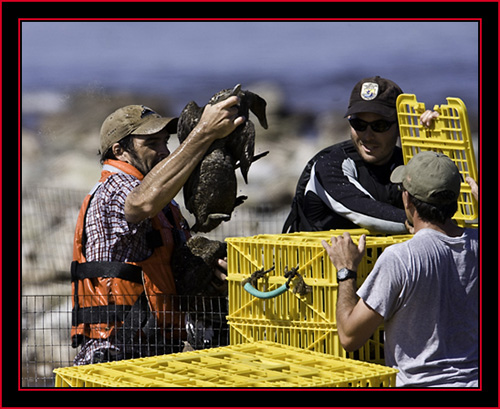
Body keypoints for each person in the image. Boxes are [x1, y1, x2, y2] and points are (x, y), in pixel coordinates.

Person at [71, 99, 244, 365]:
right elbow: (142, 202)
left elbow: (170, 270)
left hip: (155, 349)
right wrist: (204, 132)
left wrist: (209, 274)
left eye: (165, 141)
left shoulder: (165, 203)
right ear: (120, 151)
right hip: (114, 354)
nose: (164, 151)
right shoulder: (113, 187)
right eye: (152, 144)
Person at [321, 151, 479, 387]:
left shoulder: (400, 258)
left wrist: (346, 271)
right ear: (456, 201)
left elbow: (349, 337)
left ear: (407, 200)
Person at [283, 76, 438, 234]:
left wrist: (433, 143)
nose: (368, 136)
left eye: (379, 125)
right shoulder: (328, 165)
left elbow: (446, 200)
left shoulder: (406, 163)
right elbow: (363, 212)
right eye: (359, 124)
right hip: (319, 258)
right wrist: (420, 223)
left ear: (399, 126)